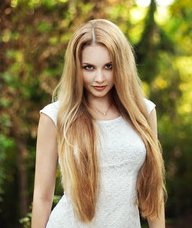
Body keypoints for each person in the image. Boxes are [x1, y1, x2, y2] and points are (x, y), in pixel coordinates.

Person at [31, 19, 166, 228]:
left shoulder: (143, 112)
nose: (99, 78)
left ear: (121, 65)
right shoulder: (55, 116)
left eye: (108, 66)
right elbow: (42, 197)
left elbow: (153, 191)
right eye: (89, 67)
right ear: (77, 68)